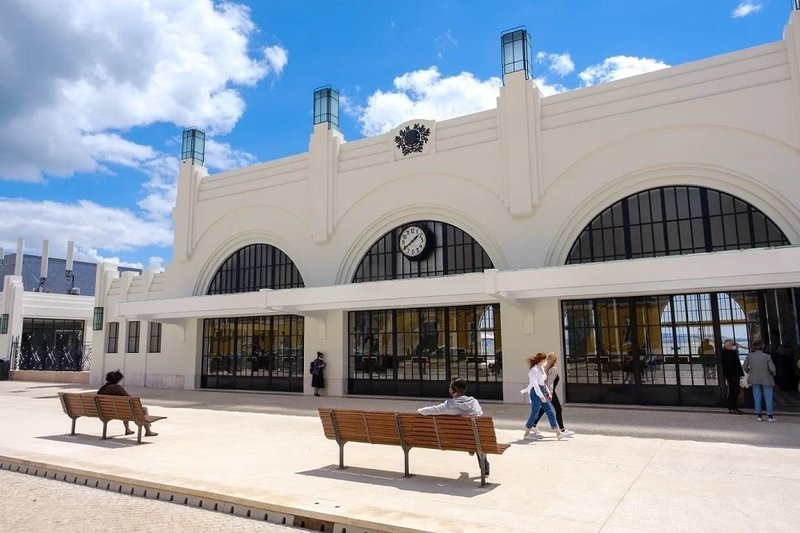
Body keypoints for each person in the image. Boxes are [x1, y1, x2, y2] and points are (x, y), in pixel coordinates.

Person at [418, 377, 489, 476]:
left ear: (453, 391)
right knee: (476, 436)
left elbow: (432, 410)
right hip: (475, 438)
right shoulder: (474, 402)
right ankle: (484, 466)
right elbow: (479, 413)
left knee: (465, 434)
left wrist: (420, 410)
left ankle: (471, 447)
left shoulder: (450, 405)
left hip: (455, 439)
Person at [97, 370, 157, 436]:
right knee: (143, 409)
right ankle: (148, 430)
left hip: (106, 412)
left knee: (124, 408)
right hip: (120, 410)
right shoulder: (118, 388)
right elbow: (129, 399)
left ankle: (127, 429)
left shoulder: (102, 389)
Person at [521, 353, 566, 440]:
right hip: (535, 392)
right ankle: (526, 434)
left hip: (543, 391)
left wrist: (548, 392)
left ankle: (558, 433)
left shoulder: (541, 368)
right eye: (545, 359)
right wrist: (541, 396)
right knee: (535, 413)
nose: (546, 361)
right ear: (541, 360)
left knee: (550, 412)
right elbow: (535, 384)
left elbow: (544, 383)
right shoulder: (534, 370)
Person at [529, 353, 574, 437]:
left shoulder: (544, 368)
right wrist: (550, 393)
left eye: (552, 359)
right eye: (551, 359)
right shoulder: (553, 369)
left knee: (544, 408)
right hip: (549, 392)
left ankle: (533, 424)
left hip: (545, 391)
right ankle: (562, 429)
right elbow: (550, 382)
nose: (551, 360)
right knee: (558, 408)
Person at [743, 342, 777, 422]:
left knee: (757, 397)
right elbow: (772, 368)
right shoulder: (767, 356)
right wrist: (773, 374)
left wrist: (749, 372)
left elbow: (744, 366)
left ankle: (759, 415)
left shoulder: (749, 356)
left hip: (754, 378)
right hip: (767, 378)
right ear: (762, 347)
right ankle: (770, 416)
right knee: (768, 398)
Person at [720, 339, 744, 414]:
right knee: (733, 391)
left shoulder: (731, 352)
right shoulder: (726, 353)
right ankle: (732, 407)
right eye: (733, 344)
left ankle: (734, 406)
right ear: (728, 345)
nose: (734, 346)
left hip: (734, 374)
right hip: (732, 375)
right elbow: (730, 365)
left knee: (735, 391)